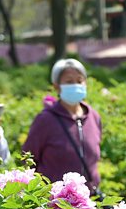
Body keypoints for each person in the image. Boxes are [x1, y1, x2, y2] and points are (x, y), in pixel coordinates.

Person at [22, 58, 103, 194]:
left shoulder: (93, 117)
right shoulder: (46, 119)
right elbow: (27, 158)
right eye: (69, 81)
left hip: (87, 201)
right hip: (54, 204)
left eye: (79, 80)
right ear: (56, 86)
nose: (76, 85)